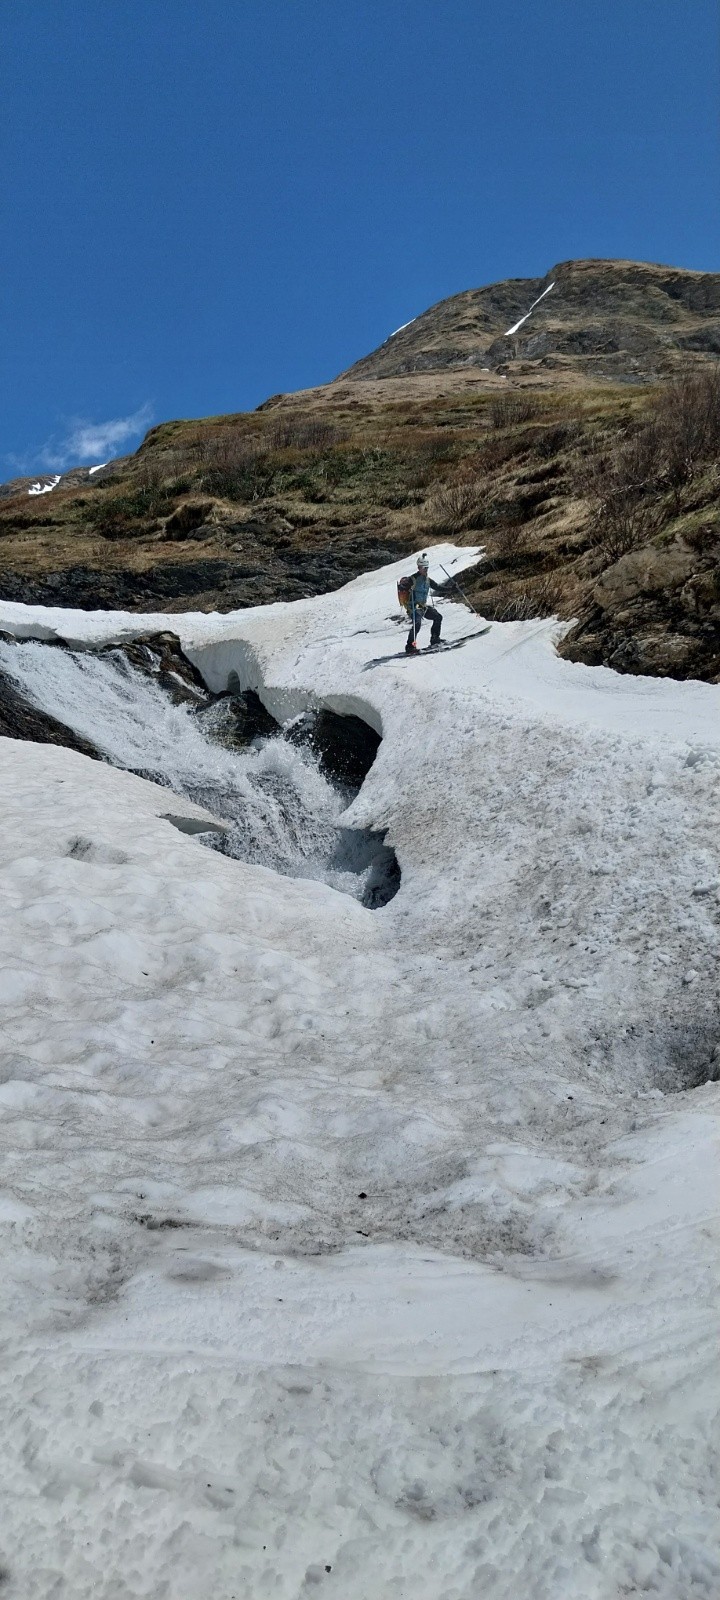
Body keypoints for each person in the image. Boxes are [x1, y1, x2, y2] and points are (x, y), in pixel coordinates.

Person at [405, 554, 443, 653]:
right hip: (413, 607)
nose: (426, 569)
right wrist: (404, 584)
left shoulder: (427, 580)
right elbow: (405, 584)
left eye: (427, 567)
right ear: (419, 568)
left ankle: (435, 639)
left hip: (423, 607)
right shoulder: (413, 578)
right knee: (417, 624)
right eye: (423, 568)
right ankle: (410, 646)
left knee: (438, 617)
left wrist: (452, 588)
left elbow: (438, 587)